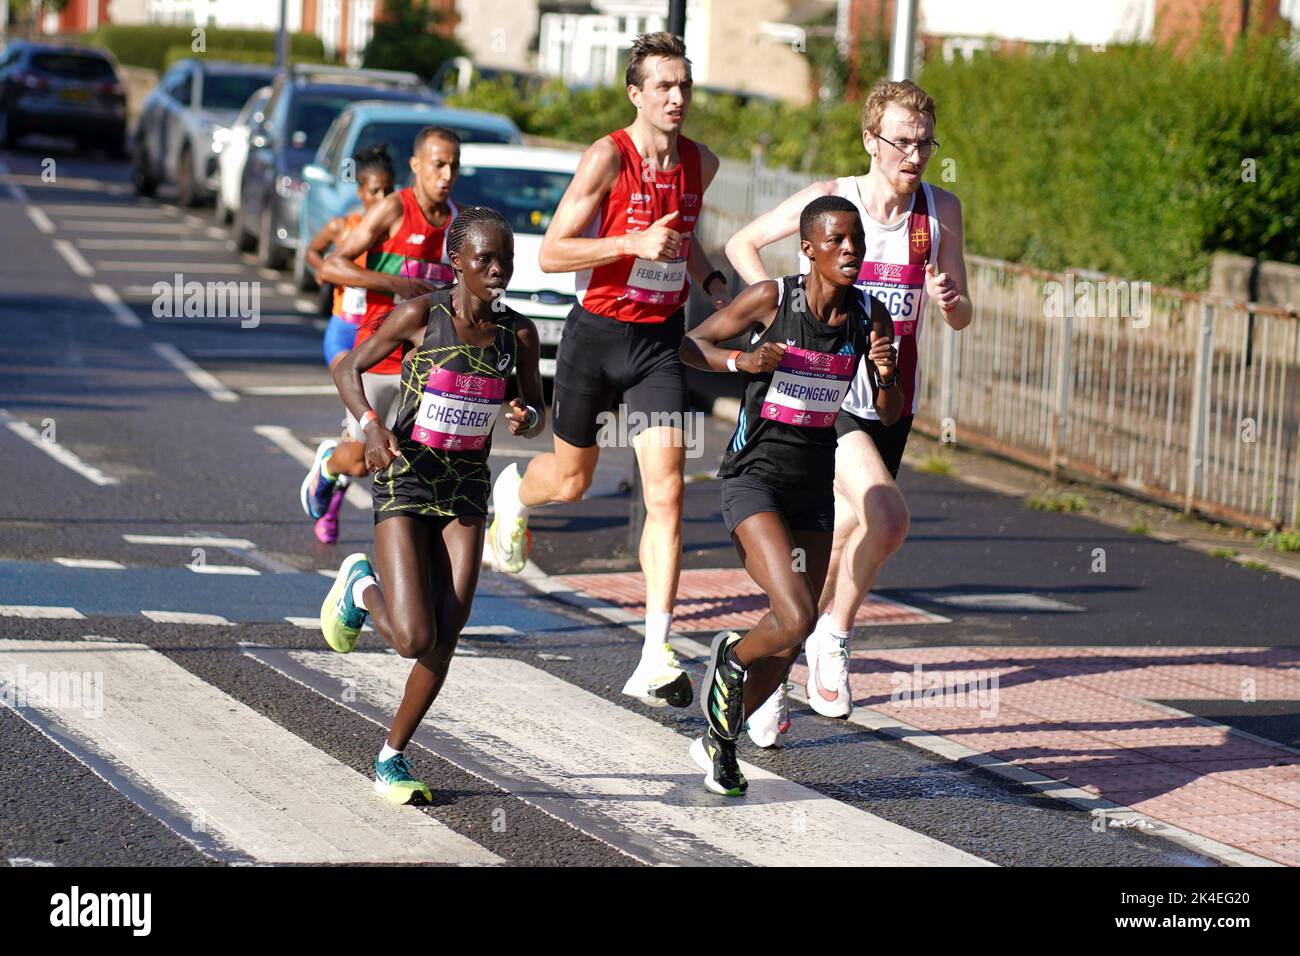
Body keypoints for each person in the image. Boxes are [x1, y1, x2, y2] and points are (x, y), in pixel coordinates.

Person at [487, 31, 731, 709]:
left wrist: (712, 281)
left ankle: (655, 649)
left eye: (684, 85)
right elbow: (553, 253)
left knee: (669, 492)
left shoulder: (699, 164)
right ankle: (511, 491)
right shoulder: (606, 157)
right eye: (664, 86)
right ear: (636, 93)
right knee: (571, 481)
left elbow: (686, 236)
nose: (677, 97)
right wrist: (628, 241)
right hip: (596, 336)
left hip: (657, 342)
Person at [724, 78, 972, 741]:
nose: (913, 156)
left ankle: (773, 669)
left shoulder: (939, 211)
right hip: (830, 397)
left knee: (830, 553)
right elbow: (742, 244)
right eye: (901, 142)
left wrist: (951, 302)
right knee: (886, 516)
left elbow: (963, 312)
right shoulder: (835, 202)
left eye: (924, 143)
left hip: (891, 403)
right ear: (871, 140)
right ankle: (831, 637)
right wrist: (776, 314)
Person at [319, 206, 545, 804]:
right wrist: (370, 426)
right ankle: (361, 587)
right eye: (486, 259)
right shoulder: (423, 317)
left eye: (507, 260)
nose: (499, 271)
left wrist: (526, 415)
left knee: (447, 630)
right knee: (412, 638)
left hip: (465, 488)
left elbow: (532, 404)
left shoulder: (518, 334)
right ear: (458, 263)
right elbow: (350, 366)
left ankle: (392, 756)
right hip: (407, 478)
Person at [679, 196, 900, 795]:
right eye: (837, 241)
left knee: (793, 631)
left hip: (812, 486)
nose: (850, 250)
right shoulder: (773, 299)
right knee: (798, 613)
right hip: (753, 479)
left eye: (856, 240)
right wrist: (743, 360)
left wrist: (885, 373)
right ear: (809, 250)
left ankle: (717, 742)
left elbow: (889, 411)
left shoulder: (869, 318)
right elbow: (690, 346)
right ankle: (730, 657)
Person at [301, 127, 463, 544]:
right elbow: (332, 266)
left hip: (424, 369)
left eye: (454, 166)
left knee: (419, 464)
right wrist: (394, 285)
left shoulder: (459, 223)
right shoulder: (393, 209)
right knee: (358, 462)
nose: (446, 175)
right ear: (416, 166)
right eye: (438, 165)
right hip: (376, 359)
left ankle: (413, 552)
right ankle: (330, 466)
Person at [299, 145, 397, 543]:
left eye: (387, 191)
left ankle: (331, 472)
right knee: (358, 431)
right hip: (345, 335)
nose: (379, 199)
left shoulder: (393, 232)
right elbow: (312, 250)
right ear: (361, 192)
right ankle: (332, 470)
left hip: (382, 338)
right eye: (373, 191)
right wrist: (327, 272)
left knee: (367, 455)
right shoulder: (345, 227)